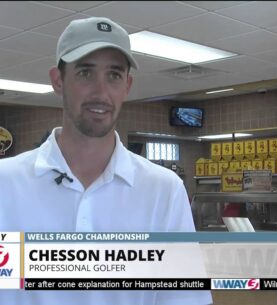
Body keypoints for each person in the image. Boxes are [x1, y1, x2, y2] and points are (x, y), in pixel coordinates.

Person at [0, 16, 212, 305]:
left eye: (113, 75)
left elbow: (184, 298)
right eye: (86, 73)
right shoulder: (6, 184)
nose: (101, 93)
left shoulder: (163, 190)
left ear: (127, 85)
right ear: (58, 80)